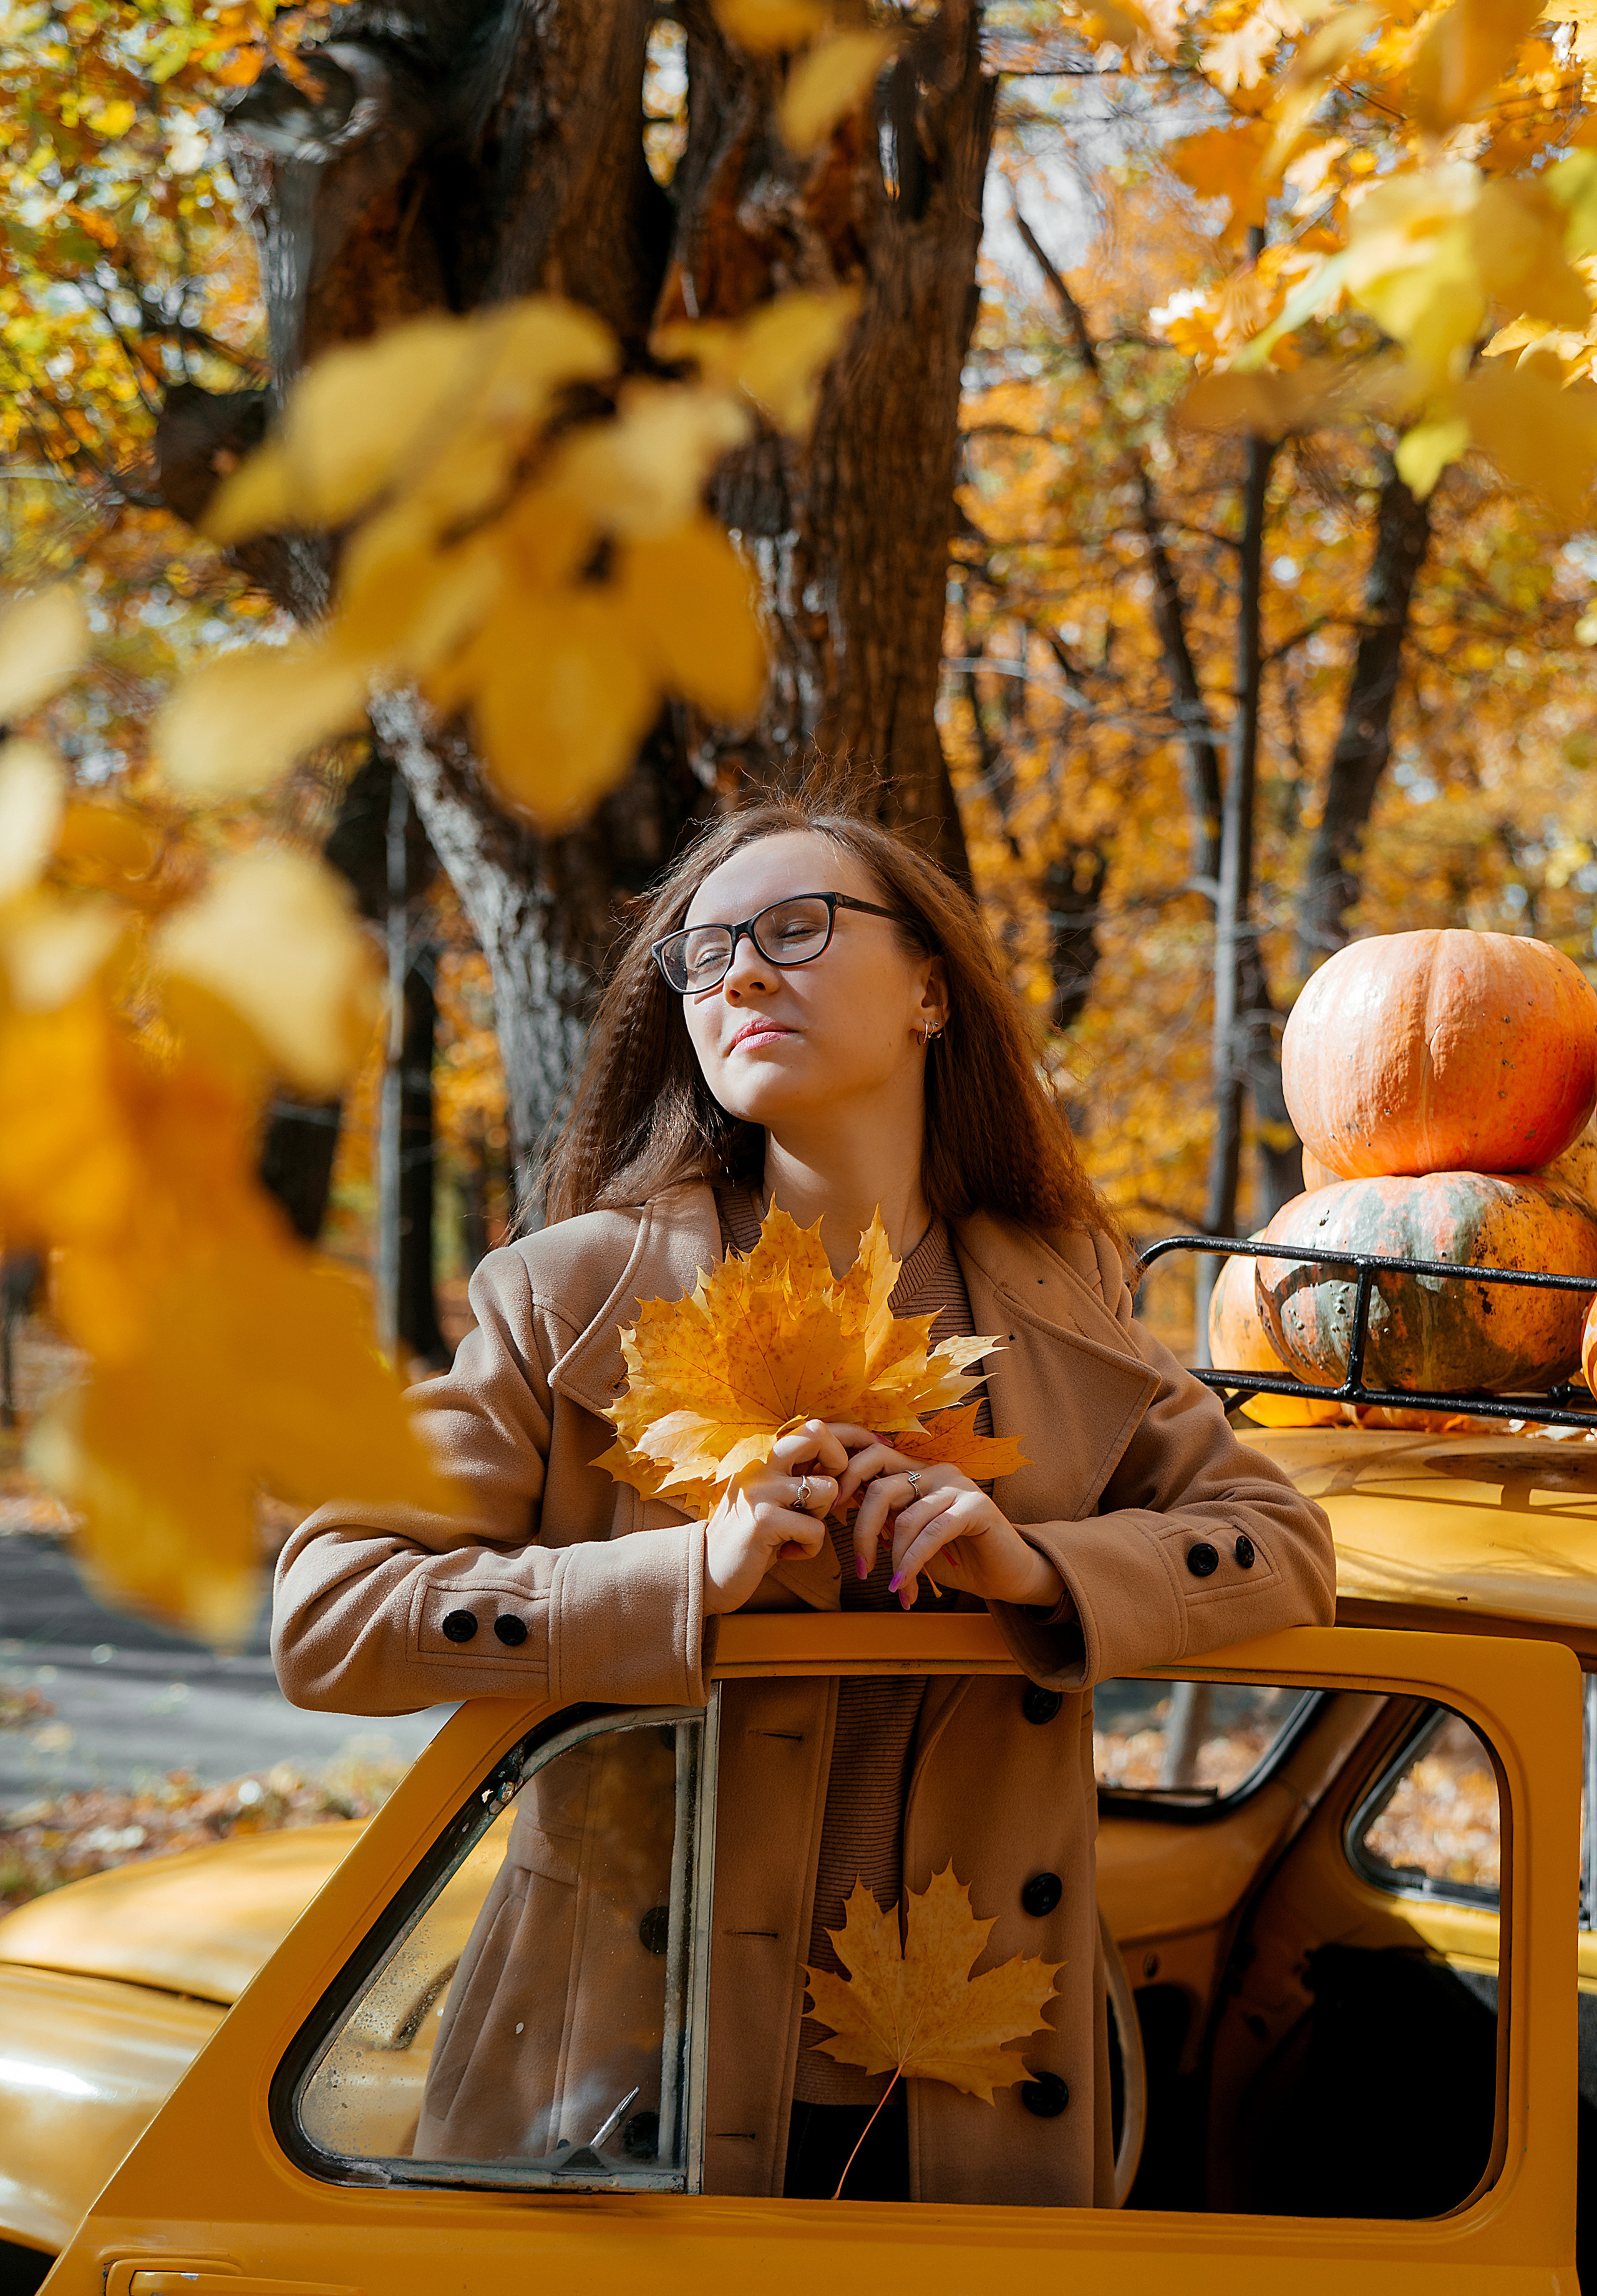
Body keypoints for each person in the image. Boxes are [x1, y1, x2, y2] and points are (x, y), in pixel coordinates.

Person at [274, 768, 1336, 2207]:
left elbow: (1279, 1546)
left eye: (798, 926)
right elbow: (331, 1615)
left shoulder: (1064, 1293)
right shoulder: (570, 1295)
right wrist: (672, 1583)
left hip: (964, 2090)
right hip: (628, 2095)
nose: (738, 975)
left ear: (929, 991)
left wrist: (1035, 1571)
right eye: (703, 954)